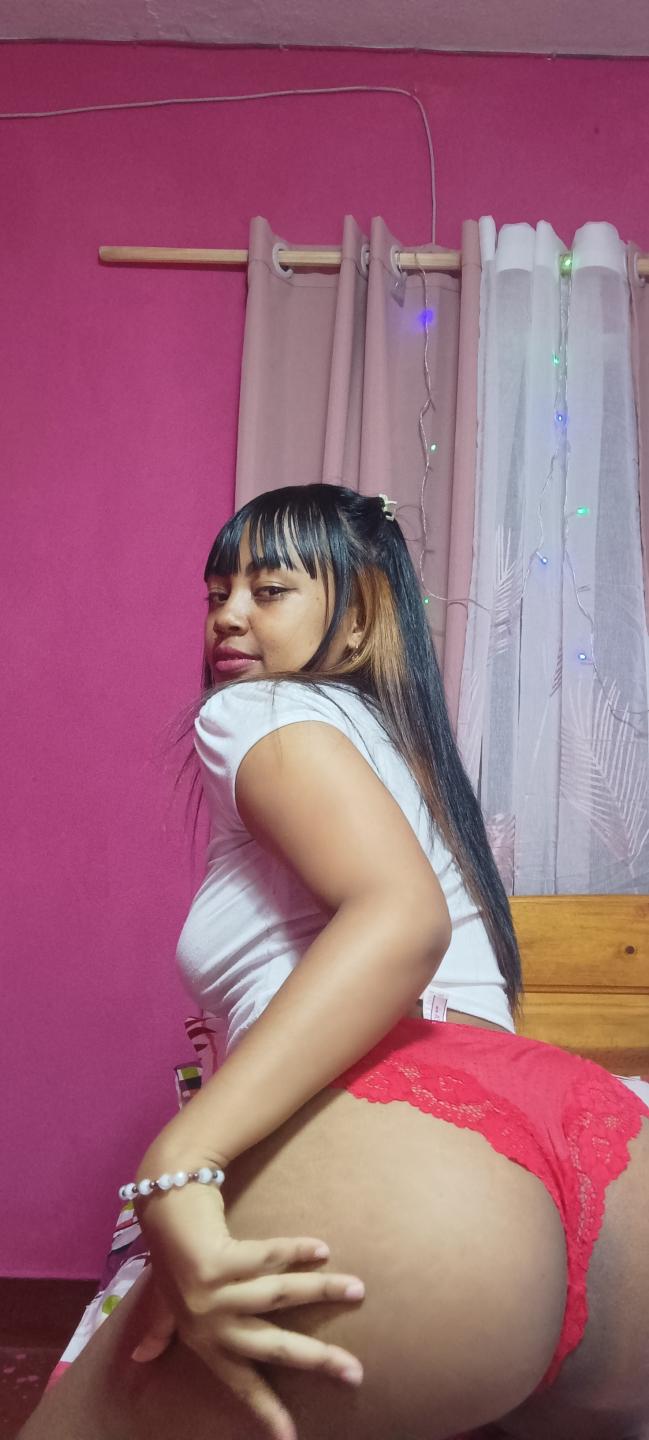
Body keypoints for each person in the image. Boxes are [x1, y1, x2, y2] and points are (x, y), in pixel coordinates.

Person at [22, 484, 649, 1440]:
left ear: (356, 621)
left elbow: (401, 919)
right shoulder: (403, 753)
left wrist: (181, 1160)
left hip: (415, 1163)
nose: (229, 616)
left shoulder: (255, 710)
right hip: (595, 1153)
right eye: (217, 594)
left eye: (269, 590)